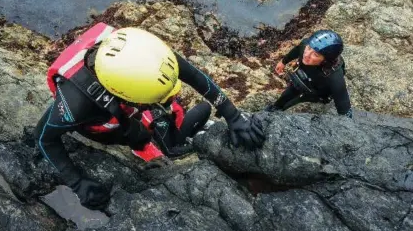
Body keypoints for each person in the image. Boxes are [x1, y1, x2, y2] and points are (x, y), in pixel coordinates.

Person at [35, 23, 265, 210]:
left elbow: (195, 76)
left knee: (141, 128)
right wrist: (78, 182)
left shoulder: (147, 55)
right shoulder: (77, 104)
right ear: (127, 96)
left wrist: (233, 116)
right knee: (130, 131)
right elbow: (44, 138)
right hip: (99, 122)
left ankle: (142, 138)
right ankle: (139, 143)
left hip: (118, 97)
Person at [266, 29, 352, 118]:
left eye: (316, 55)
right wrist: (283, 62)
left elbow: (345, 112)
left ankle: (277, 115)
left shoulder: (334, 77)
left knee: (290, 105)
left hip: (316, 93)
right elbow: (297, 50)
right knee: (284, 97)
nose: (306, 55)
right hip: (301, 80)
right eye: (309, 48)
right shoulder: (306, 45)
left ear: (326, 61)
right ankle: (275, 108)